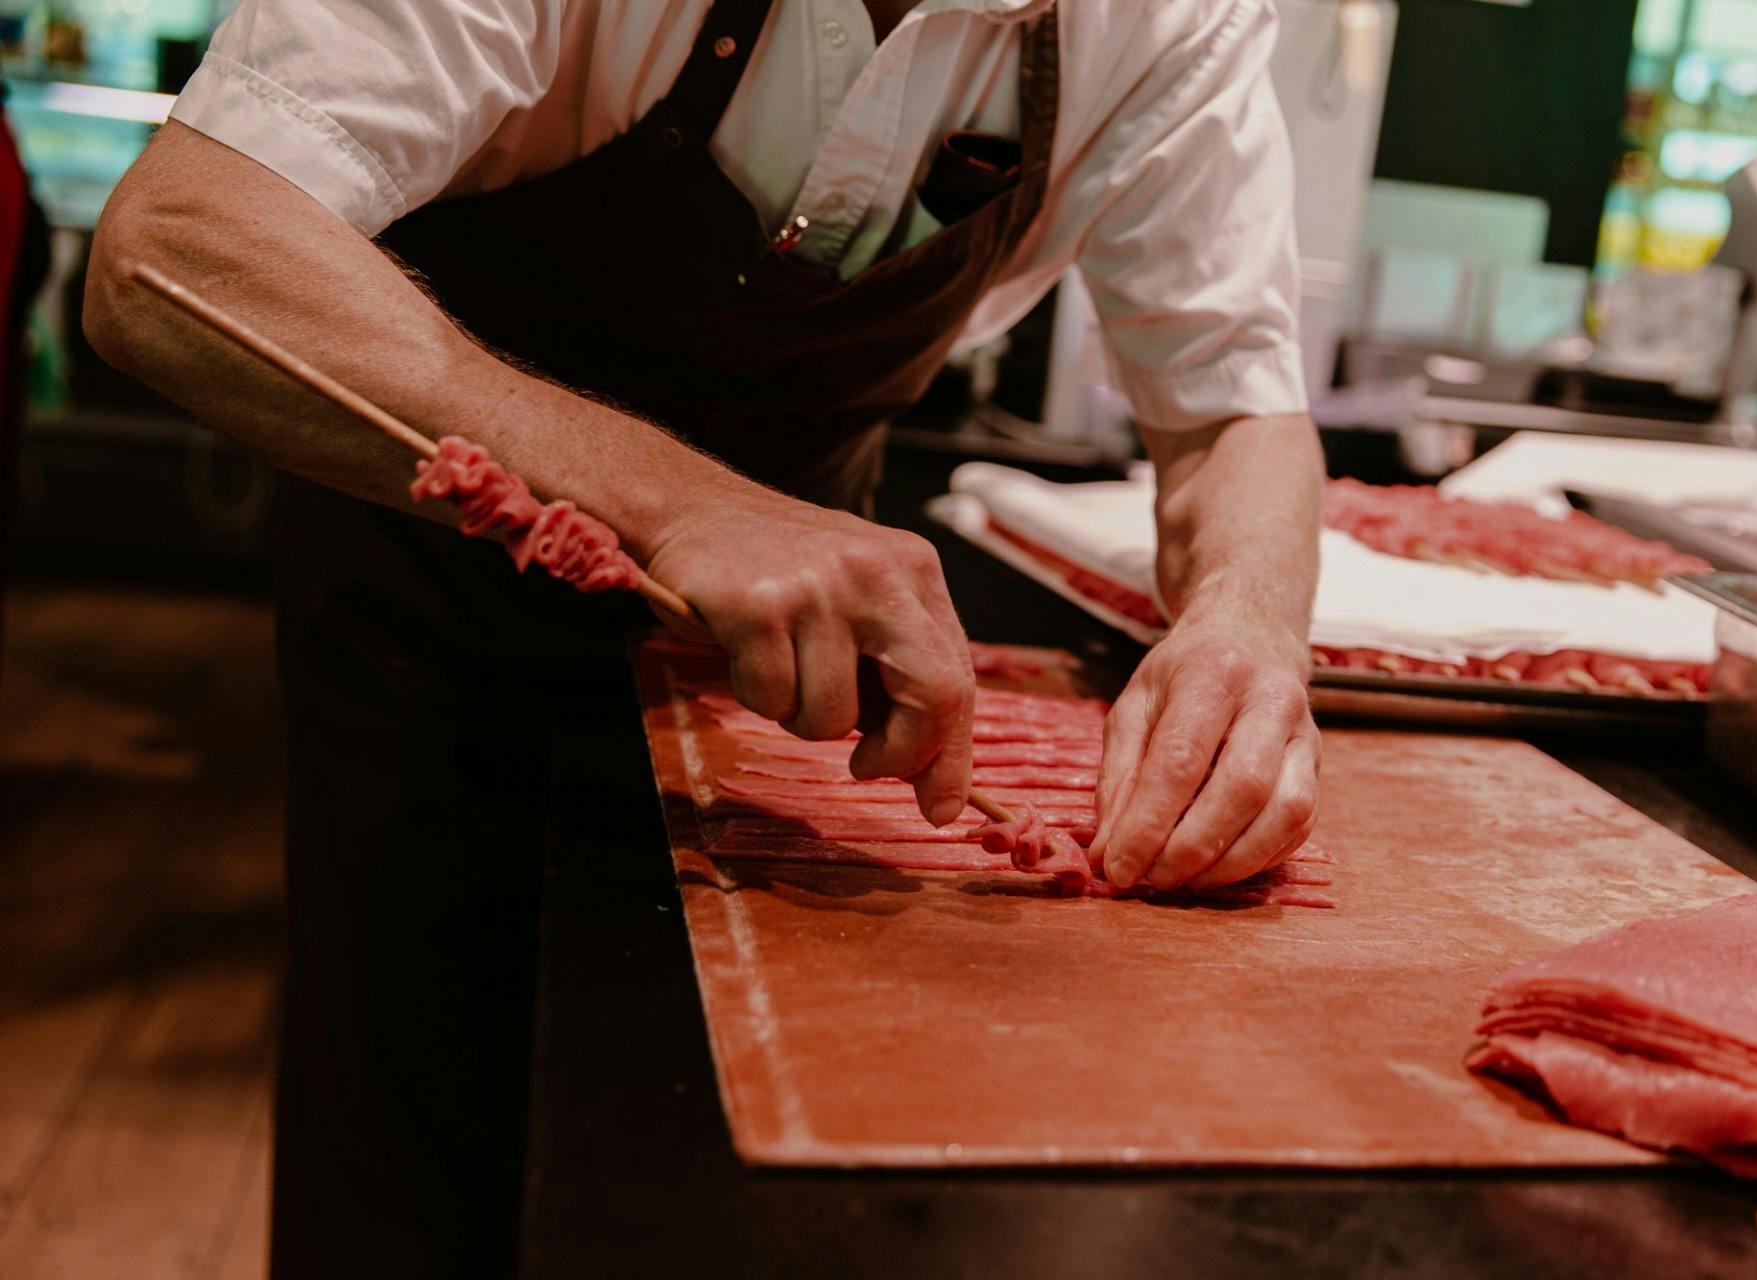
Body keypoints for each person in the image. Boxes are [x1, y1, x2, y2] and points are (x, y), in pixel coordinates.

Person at [84, 0, 1324, 1274]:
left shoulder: (1178, 19)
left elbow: (1236, 409)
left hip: (795, 719)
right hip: (439, 641)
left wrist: (1248, 614)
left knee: (756, 1220)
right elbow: (174, 248)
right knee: (420, 1173)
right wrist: (684, 502)